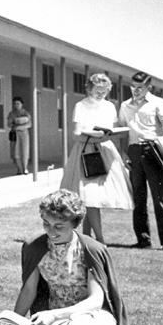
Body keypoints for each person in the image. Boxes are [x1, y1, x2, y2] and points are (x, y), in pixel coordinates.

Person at [14, 189, 163, 325]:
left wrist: (54, 314)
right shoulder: (35, 247)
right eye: (46, 224)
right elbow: (28, 290)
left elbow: (95, 300)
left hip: (92, 312)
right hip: (59, 316)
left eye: (59, 226)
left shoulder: (89, 249)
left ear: (75, 224)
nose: (51, 231)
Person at [58, 72, 131, 243]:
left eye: (104, 90)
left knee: (94, 197)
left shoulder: (110, 106)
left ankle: (86, 236)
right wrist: (93, 135)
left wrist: (108, 136)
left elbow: (113, 131)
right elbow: (76, 133)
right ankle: (99, 239)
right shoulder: (81, 105)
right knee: (89, 195)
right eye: (97, 89)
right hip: (86, 151)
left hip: (105, 151)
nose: (101, 93)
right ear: (89, 88)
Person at [119, 72, 163, 249]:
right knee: (138, 198)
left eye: (140, 88)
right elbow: (122, 130)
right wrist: (124, 154)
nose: (135, 91)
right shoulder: (124, 106)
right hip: (134, 151)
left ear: (148, 88)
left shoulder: (158, 103)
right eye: (133, 87)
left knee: (160, 198)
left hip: (153, 149)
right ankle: (143, 240)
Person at [6, 96, 32, 176]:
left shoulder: (26, 113)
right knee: (15, 152)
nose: (16, 105)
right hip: (15, 135)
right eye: (15, 104)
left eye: (18, 103)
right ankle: (19, 169)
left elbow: (29, 124)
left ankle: (25, 168)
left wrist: (19, 126)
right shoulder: (11, 113)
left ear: (22, 104)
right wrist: (15, 125)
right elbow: (9, 124)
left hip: (24, 134)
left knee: (24, 151)